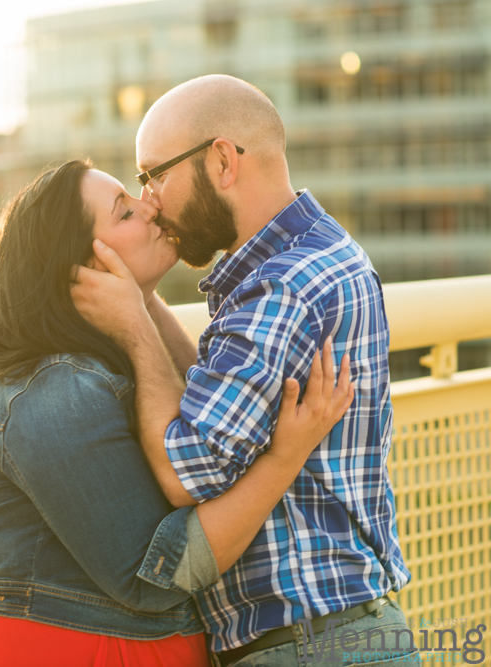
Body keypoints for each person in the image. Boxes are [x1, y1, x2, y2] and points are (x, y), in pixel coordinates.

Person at [0, 159, 353, 667]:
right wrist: (285, 458)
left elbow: (196, 434)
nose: (152, 205)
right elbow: (157, 577)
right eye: (125, 211)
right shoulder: (58, 393)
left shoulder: (113, 371)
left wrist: (138, 303)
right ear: (85, 267)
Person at [72, 75, 416, 666]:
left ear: (223, 161)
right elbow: (212, 401)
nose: (151, 198)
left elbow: (188, 468)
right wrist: (145, 299)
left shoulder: (280, 287)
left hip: (307, 645)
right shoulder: (314, 255)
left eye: (156, 173)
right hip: (343, 632)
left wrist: (133, 327)